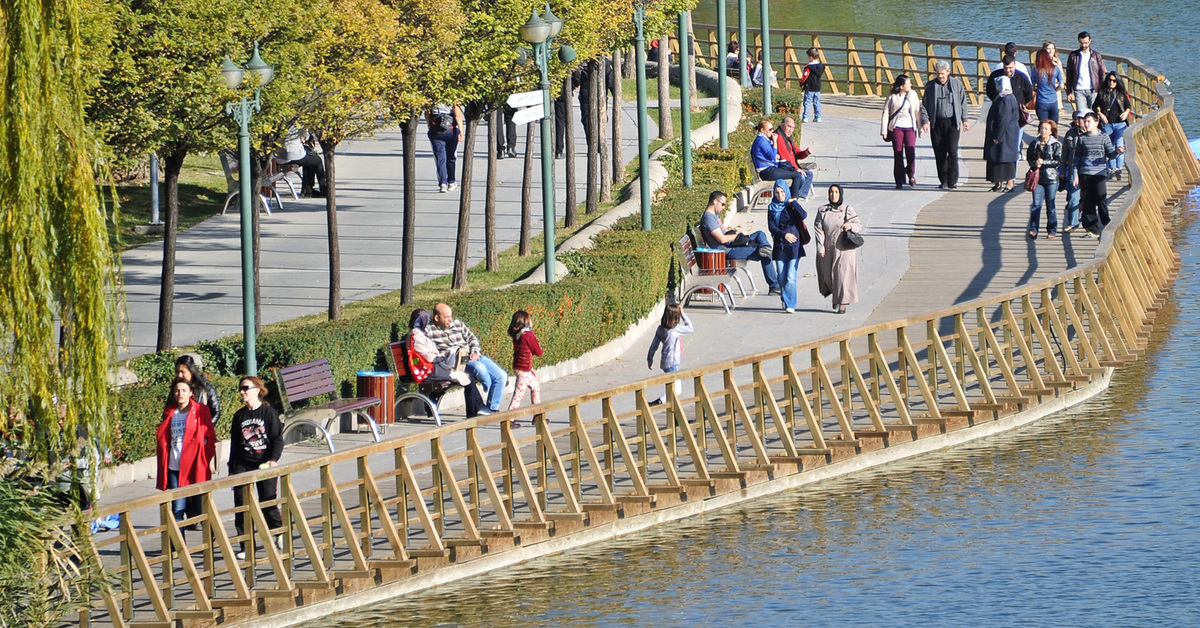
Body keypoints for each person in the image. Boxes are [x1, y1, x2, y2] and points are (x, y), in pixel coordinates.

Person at [227, 375, 283, 560]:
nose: (242, 392)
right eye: (240, 389)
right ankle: (246, 545)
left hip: (264, 462)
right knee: (241, 506)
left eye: (246, 388)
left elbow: (277, 439)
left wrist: (273, 460)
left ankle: (278, 532)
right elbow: (235, 443)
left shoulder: (268, 413)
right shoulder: (239, 416)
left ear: (257, 389)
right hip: (243, 464)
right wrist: (231, 467)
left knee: (267, 503)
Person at [155, 377, 216, 528]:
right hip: (174, 466)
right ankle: (179, 548)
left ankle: (211, 535)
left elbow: (210, 437)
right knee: (177, 509)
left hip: (195, 466)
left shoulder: (201, 410)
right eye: (177, 390)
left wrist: (204, 458)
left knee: (200, 507)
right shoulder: (170, 411)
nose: (180, 393)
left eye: (183, 390)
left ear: (190, 393)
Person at [427, 303, 509, 413]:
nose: (450, 319)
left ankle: (492, 409)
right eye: (447, 317)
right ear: (437, 318)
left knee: (501, 376)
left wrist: (475, 351)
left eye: (451, 316)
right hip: (457, 362)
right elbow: (432, 352)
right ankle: (488, 387)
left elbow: (472, 339)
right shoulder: (430, 331)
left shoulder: (458, 324)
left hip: (473, 356)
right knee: (479, 368)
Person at [407, 309, 487, 418]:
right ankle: (475, 411)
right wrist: (441, 357)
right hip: (428, 369)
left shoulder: (421, 333)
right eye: (425, 319)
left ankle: (476, 409)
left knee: (467, 377)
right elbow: (425, 355)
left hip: (434, 366)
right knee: (467, 378)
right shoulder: (415, 335)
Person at [698, 190, 780, 294]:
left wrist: (738, 232)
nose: (723, 208)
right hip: (727, 250)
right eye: (722, 204)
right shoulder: (708, 218)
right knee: (765, 254)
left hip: (731, 244)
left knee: (760, 234)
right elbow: (722, 239)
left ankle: (765, 247)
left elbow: (724, 234)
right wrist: (737, 236)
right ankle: (774, 286)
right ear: (715, 201)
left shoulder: (714, 216)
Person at [920, 60, 971, 189]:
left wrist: (965, 119)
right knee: (939, 152)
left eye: (943, 74)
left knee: (952, 151)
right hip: (937, 123)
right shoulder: (930, 86)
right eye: (938, 74)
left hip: (952, 122)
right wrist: (925, 121)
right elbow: (924, 105)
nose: (940, 77)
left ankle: (952, 180)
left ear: (948, 72)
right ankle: (943, 180)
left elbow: (963, 102)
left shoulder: (957, 84)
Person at [1073, 111, 1124, 237]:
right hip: (1085, 172)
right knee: (1087, 201)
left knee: (1101, 198)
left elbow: (1110, 154)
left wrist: (1117, 152)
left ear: (1096, 123)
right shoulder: (1081, 138)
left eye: (1089, 121)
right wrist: (1075, 175)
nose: (1086, 124)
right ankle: (1092, 229)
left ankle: (1106, 223)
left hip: (1100, 172)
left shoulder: (1104, 137)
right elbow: (1077, 159)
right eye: (1085, 121)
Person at [814, 184, 861, 315]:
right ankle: (835, 294)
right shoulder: (822, 211)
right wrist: (820, 247)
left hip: (845, 248)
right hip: (828, 247)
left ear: (840, 194)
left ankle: (843, 303)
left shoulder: (848, 210)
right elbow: (818, 230)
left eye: (836, 192)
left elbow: (858, 225)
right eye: (831, 192)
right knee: (828, 276)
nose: (833, 195)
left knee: (843, 276)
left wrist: (850, 225)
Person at [766, 180, 808, 313]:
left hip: (794, 246)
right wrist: (784, 235)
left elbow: (803, 215)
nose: (780, 195)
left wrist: (794, 202)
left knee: (790, 276)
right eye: (777, 192)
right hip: (780, 245)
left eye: (782, 192)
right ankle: (785, 298)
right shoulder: (772, 208)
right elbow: (771, 227)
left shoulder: (791, 206)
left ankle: (791, 304)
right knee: (782, 277)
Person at [750, 118, 814, 200]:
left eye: (793, 128)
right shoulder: (763, 140)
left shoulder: (781, 138)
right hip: (767, 171)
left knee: (805, 174)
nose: (772, 131)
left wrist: (806, 152)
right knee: (798, 175)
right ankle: (792, 200)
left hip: (770, 169)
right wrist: (775, 142)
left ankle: (796, 196)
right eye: (770, 129)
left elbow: (795, 153)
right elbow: (775, 156)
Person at [646, 303, 693, 406]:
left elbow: (654, 345)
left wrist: (650, 358)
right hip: (673, 363)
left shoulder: (660, 329)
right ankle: (658, 402)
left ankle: (673, 415)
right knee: (677, 390)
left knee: (674, 388)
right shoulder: (676, 329)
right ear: (676, 317)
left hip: (665, 363)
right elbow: (690, 328)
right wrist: (683, 314)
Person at [880, 74, 921, 189]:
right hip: (897, 126)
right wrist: (884, 130)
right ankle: (899, 179)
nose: (911, 85)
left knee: (910, 151)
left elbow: (918, 112)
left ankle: (911, 173)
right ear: (902, 86)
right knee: (898, 153)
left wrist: (921, 127)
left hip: (910, 126)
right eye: (908, 83)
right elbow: (886, 113)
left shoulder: (913, 94)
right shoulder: (892, 96)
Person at [984, 75, 1021, 192]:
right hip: (1003, 133)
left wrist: (997, 136)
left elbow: (1003, 119)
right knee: (997, 158)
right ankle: (998, 183)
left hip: (1006, 134)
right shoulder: (1003, 97)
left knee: (1006, 159)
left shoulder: (1007, 99)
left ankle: (1009, 184)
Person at [1026, 119, 1062, 239]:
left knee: (1050, 205)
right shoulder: (1034, 143)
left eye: (1046, 128)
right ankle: (1033, 229)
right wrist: (1034, 163)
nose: (1043, 131)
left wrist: (1044, 162)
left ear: (1051, 131)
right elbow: (1029, 158)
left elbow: (1058, 161)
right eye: (1042, 128)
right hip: (1037, 178)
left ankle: (1052, 229)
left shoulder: (1055, 144)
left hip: (1051, 178)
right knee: (1036, 204)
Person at [1095, 71, 1132, 180]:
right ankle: (1112, 168)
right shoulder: (1102, 93)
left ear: (1117, 82)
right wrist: (1101, 115)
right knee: (1110, 146)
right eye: (1110, 80)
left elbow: (1128, 106)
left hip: (1120, 124)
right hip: (1108, 124)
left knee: (1119, 146)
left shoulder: (1121, 93)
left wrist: (1126, 113)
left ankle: (1119, 168)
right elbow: (1094, 106)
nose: (1112, 82)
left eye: (1114, 81)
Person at [167, 353, 220, 427]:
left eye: (182, 372)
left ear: (191, 371)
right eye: (177, 372)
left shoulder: (206, 388)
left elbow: (216, 411)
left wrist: (204, 429)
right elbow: (168, 410)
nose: (179, 375)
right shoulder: (176, 388)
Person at [507, 310, 543, 415]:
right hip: (523, 370)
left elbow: (521, 352)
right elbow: (538, 351)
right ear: (526, 322)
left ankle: (537, 415)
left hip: (521, 368)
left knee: (536, 387)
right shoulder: (528, 335)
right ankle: (510, 418)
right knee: (519, 394)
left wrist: (530, 368)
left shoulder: (517, 335)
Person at [1060, 109, 1088, 232]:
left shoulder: (1095, 133)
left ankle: (1090, 225)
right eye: (1077, 119)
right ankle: (1073, 223)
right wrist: (1061, 171)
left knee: (1089, 199)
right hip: (1074, 170)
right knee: (1073, 198)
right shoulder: (1070, 133)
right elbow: (1064, 153)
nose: (1078, 121)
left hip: (1089, 171)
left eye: (1081, 119)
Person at [1066, 31, 1107, 114]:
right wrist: (1069, 91)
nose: (1084, 45)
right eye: (1081, 43)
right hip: (1079, 89)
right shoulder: (1073, 56)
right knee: (1081, 114)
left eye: (1086, 43)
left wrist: (1103, 89)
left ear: (1090, 41)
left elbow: (1102, 73)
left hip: (1093, 89)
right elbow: (1069, 74)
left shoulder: (1096, 55)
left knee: (1093, 113)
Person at [427, 104, 463, 193]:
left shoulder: (432, 95)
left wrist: (429, 124)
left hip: (436, 130)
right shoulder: (452, 96)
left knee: (440, 158)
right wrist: (461, 131)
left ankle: (443, 183)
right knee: (451, 156)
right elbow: (457, 114)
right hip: (451, 129)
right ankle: (451, 181)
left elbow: (427, 112)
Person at [279, 130, 326, 197]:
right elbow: (306, 136)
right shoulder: (296, 124)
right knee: (317, 160)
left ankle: (308, 190)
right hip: (295, 155)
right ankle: (323, 189)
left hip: (279, 158)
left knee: (308, 161)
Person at [773, 117, 815, 185]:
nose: (791, 130)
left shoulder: (787, 138)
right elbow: (785, 157)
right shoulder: (778, 137)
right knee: (802, 177)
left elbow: (797, 153)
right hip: (785, 168)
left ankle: (800, 195)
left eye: (793, 128)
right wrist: (796, 169)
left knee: (809, 175)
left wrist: (806, 152)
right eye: (789, 126)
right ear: (782, 125)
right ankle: (794, 195)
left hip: (791, 167)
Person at [1032, 48, 1064, 123]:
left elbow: (1032, 86)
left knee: (1044, 124)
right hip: (1053, 101)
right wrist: (1054, 90)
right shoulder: (1055, 68)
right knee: (1053, 125)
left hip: (1041, 101)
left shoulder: (1036, 70)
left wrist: (1037, 90)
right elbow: (1061, 85)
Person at [800, 47, 824, 122]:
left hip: (809, 87)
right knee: (817, 102)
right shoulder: (821, 66)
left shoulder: (808, 67)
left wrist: (802, 84)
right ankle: (818, 116)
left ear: (810, 57)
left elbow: (805, 76)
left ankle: (805, 117)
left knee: (807, 102)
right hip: (817, 87)